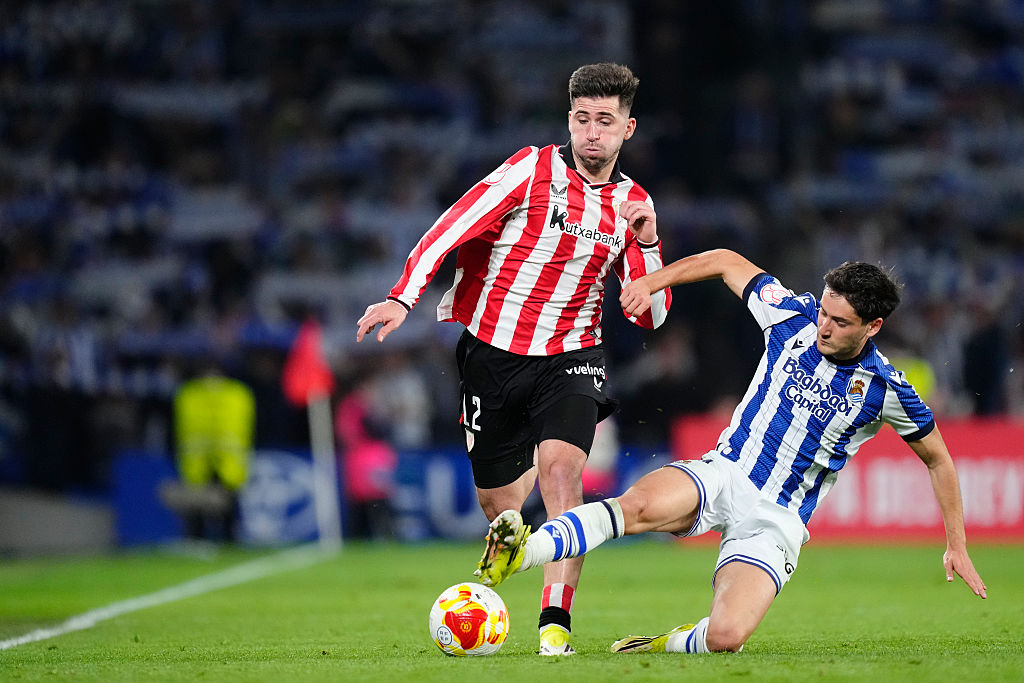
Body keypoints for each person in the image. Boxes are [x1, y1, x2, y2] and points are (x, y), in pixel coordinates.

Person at [475, 248, 988, 655]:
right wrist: (652, 282)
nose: (824, 328)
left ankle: (664, 643)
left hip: (777, 519)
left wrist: (956, 544)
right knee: (634, 508)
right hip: (725, 472)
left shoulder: (886, 388)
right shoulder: (792, 318)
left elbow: (939, 458)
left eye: (840, 322)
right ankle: (521, 552)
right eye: (825, 312)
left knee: (726, 637)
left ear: (872, 328)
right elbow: (724, 260)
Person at [356, 62, 671, 655]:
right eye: (582, 120)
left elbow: (650, 317)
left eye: (606, 121)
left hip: (573, 354)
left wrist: (649, 244)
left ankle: (555, 624)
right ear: (570, 121)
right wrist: (403, 296)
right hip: (491, 356)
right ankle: (512, 535)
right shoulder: (531, 170)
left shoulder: (633, 205)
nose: (592, 133)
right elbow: (449, 227)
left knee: (561, 472)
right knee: (500, 506)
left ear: (628, 129)